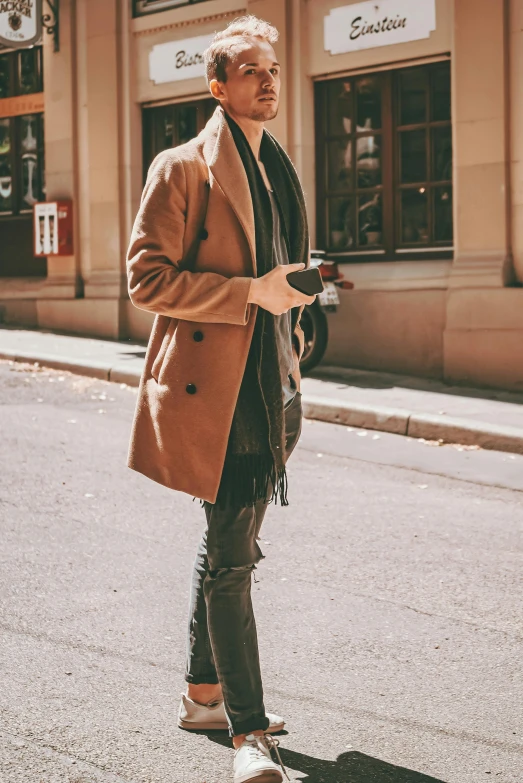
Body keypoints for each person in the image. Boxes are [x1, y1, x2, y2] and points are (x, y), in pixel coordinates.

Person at [126, 15, 314, 783]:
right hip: (221, 396)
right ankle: (247, 736)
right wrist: (250, 293)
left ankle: (203, 692)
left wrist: (293, 304)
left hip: (275, 387)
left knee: (228, 546)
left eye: (271, 67)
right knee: (232, 558)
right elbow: (146, 280)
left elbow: (281, 276)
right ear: (216, 85)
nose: (266, 79)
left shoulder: (278, 167)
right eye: (248, 69)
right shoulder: (181, 166)